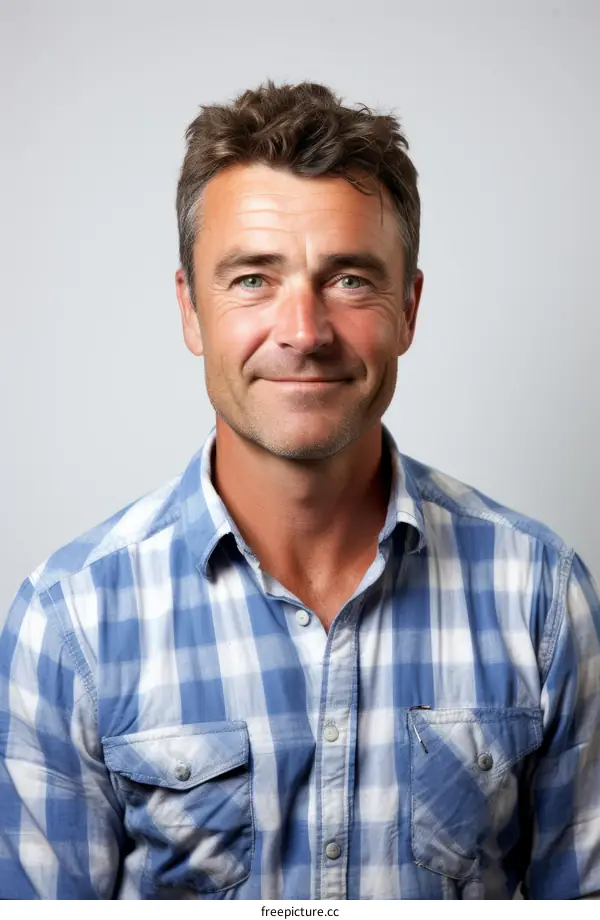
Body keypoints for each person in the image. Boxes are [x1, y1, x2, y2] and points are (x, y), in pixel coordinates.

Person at [1, 79, 599, 901]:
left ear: (409, 308)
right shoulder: (70, 623)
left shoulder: (539, 594)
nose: (305, 332)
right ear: (190, 310)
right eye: (252, 278)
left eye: (350, 279)